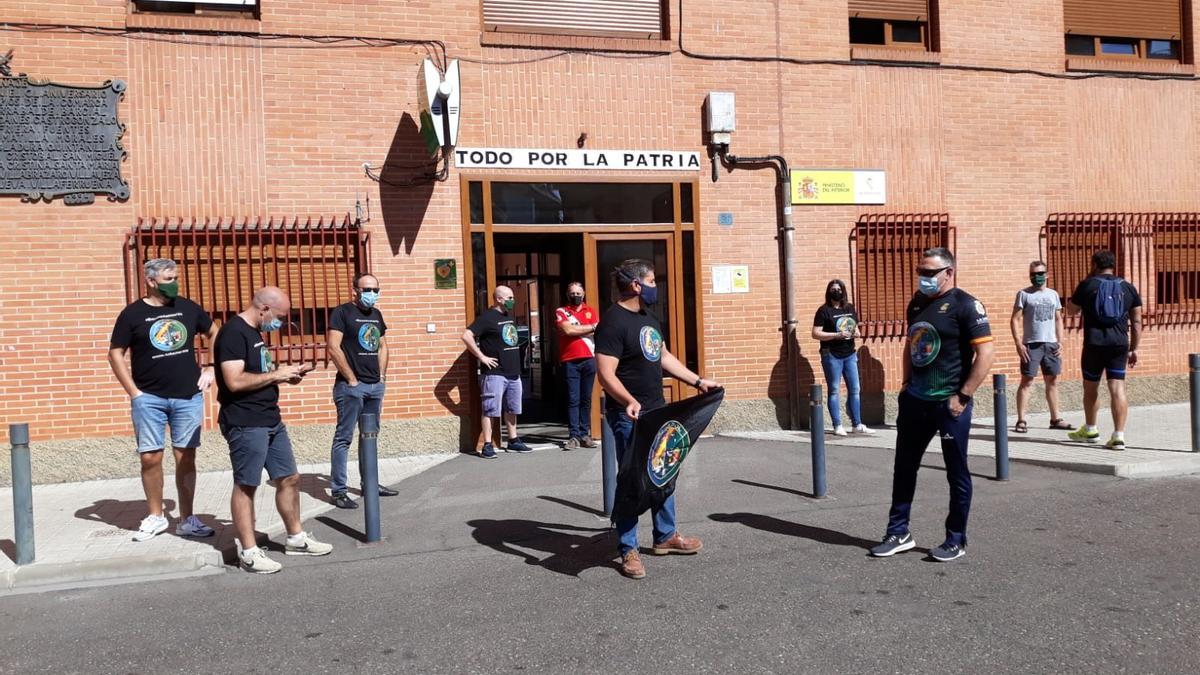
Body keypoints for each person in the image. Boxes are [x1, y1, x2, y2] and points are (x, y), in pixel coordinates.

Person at [595, 258, 719, 579]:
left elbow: (663, 357)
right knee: (633, 478)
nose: (655, 286)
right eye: (651, 281)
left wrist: (697, 381)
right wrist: (628, 400)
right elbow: (606, 374)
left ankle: (665, 536)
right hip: (628, 415)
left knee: (663, 471)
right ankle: (628, 548)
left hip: (656, 409)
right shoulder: (612, 322)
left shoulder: (650, 318)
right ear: (636, 285)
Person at [869, 248, 995, 563]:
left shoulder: (966, 306)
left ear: (949, 272)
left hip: (949, 404)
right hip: (916, 402)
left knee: (956, 473)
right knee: (904, 468)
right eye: (920, 271)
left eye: (929, 273)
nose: (923, 278)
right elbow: (912, 344)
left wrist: (962, 396)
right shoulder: (917, 302)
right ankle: (899, 533)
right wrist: (905, 384)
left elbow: (986, 354)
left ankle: (955, 539)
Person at [215, 286, 332, 574]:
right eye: (279, 316)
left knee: (289, 477)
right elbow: (234, 381)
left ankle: (296, 538)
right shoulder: (233, 333)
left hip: (270, 418)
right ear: (264, 308)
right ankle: (250, 551)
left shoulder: (256, 333)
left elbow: (258, 373)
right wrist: (277, 374)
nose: (281, 323)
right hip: (245, 421)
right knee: (246, 485)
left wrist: (285, 376)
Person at [108, 258, 219, 542]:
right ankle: (156, 516)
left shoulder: (187, 307)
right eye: (168, 279)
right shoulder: (132, 314)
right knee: (150, 457)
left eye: (175, 278)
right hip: (149, 398)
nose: (174, 283)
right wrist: (134, 392)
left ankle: (187, 519)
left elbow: (215, 333)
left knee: (186, 457)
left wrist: (211, 366)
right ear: (151, 281)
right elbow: (115, 354)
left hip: (187, 396)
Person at [326, 273, 399, 509]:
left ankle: (370, 484)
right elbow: (333, 347)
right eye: (367, 289)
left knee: (370, 438)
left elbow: (383, 345)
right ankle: (339, 490)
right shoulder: (342, 312)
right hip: (350, 388)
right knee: (344, 438)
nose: (372, 294)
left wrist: (382, 377)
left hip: (374, 387)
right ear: (355, 289)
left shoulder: (376, 315)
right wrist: (351, 379)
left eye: (376, 290)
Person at [1066, 250, 1142, 450]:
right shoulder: (1128, 287)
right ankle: (1118, 436)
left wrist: (1085, 288)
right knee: (1117, 388)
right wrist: (1134, 348)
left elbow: (1070, 310)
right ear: (1113, 265)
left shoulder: (1088, 285)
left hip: (1094, 344)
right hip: (1120, 344)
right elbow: (1136, 322)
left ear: (1094, 265)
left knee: (1091, 388)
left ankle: (1091, 429)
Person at [461, 285, 532, 458]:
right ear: (499, 299)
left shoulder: (509, 316)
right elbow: (466, 335)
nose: (512, 301)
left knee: (512, 408)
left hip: (513, 373)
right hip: (495, 373)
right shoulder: (487, 318)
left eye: (512, 297)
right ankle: (487, 444)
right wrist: (482, 357)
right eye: (509, 298)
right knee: (490, 409)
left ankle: (513, 440)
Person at [1010, 261, 1072, 433]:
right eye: (1032, 274)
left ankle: (1055, 419)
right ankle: (1021, 420)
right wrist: (1018, 343)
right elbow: (1014, 319)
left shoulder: (1053, 294)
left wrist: (1061, 341)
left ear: (1047, 274)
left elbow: (1058, 319)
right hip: (1031, 344)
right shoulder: (1023, 294)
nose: (1036, 277)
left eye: (1039, 273)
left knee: (1052, 381)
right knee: (1027, 381)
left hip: (1051, 344)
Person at [811, 279, 874, 436]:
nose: (836, 291)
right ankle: (837, 425)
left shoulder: (850, 308)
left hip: (850, 353)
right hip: (831, 354)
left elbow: (856, 328)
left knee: (855, 389)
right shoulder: (823, 311)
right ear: (829, 292)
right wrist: (836, 335)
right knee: (834, 390)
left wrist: (856, 333)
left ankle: (857, 424)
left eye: (839, 289)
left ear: (843, 291)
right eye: (833, 289)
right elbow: (815, 333)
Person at [555, 281, 599, 450]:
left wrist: (577, 328)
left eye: (578, 293)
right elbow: (567, 330)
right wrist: (589, 328)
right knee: (573, 399)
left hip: (589, 358)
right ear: (567, 295)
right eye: (572, 293)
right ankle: (573, 436)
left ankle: (584, 434)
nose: (575, 296)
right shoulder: (562, 311)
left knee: (586, 399)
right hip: (570, 360)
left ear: (584, 293)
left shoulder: (591, 311)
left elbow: (597, 329)